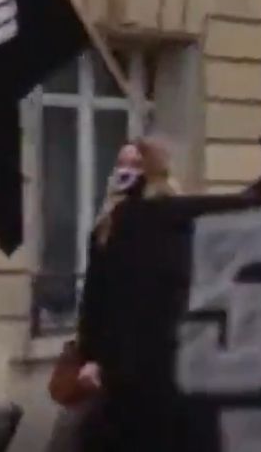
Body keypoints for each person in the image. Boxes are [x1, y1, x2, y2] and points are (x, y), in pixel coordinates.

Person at [73, 137, 179, 451]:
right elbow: (95, 297)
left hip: (155, 357)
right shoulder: (106, 225)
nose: (125, 171)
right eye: (121, 163)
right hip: (114, 360)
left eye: (136, 164)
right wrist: (90, 356)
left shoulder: (166, 216)